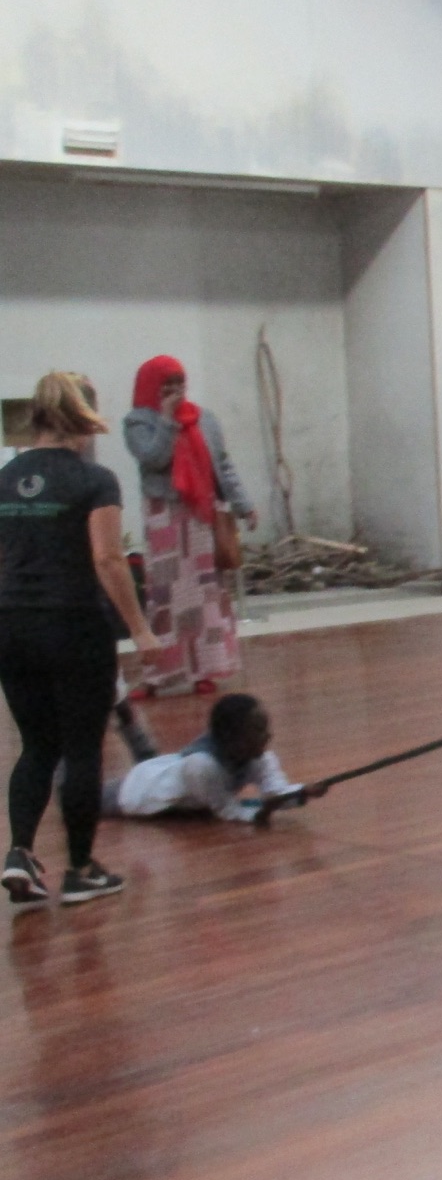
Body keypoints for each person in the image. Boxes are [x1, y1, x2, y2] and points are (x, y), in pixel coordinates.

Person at [0, 373, 159, 906]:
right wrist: (139, 627)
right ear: (84, 422)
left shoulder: (5, 477)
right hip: (73, 627)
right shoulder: (95, 481)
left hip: (12, 626)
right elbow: (108, 558)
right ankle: (81, 870)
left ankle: (20, 852)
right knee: (81, 748)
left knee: (37, 746)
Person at [124, 355, 254, 697]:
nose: (174, 390)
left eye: (178, 383)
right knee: (165, 598)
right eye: (166, 383)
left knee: (206, 597)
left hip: (204, 518)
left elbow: (223, 466)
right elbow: (153, 458)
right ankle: (156, 677)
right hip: (165, 519)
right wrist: (167, 420)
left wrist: (244, 505)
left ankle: (204, 671)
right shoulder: (138, 422)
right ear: (151, 385)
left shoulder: (205, 418)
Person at [104, 693, 324, 823]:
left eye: (265, 727)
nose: (268, 735)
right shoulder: (202, 766)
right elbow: (227, 810)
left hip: (173, 780)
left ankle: (127, 721)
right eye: (257, 730)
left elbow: (275, 792)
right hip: (137, 792)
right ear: (232, 738)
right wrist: (259, 813)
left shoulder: (260, 757)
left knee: (150, 761)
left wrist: (302, 793)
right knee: (77, 799)